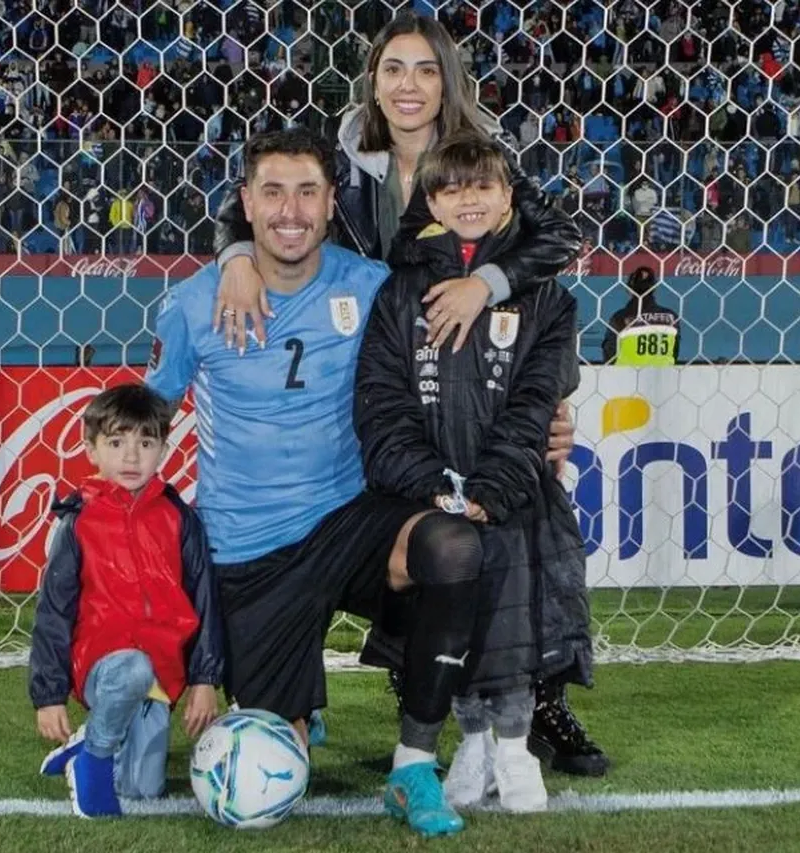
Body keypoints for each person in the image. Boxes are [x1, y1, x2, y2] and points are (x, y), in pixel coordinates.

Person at [210, 10, 603, 775]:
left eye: (426, 69)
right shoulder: (346, 158)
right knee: (407, 534)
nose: (410, 85)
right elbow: (256, 206)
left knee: (522, 526)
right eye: (394, 69)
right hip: (386, 372)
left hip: (481, 372)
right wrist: (232, 256)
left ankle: (541, 703)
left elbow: (553, 240)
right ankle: (412, 697)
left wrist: (484, 284)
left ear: (447, 80)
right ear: (374, 81)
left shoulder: (483, 157)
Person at [146, 127, 487, 837]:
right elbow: (149, 416)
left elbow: (459, 361)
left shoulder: (370, 289)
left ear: (333, 202)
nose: (290, 210)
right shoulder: (193, 302)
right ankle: (298, 702)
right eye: (272, 192)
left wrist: (547, 408)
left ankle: (413, 766)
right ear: (245, 201)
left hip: (352, 517)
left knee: (454, 548)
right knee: (282, 756)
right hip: (248, 551)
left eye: (308, 191)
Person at [354, 133, 592, 812]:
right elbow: (382, 402)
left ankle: (515, 753)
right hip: (432, 496)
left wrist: (492, 487)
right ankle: (470, 744)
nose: (468, 198)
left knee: (513, 624)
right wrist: (431, 483)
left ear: (508, 196)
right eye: (453, 188)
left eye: (483, 186)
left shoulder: (547, 296)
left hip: (512, 493)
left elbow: (534, 402)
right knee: (451, 621)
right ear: (430, 200)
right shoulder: (399, 290)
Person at [28, 384, 223, 818]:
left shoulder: (179, 519)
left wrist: (204, 678)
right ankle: (93, 761)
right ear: (91, 450)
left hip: (162, 672)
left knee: (142, 789)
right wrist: (49, 695)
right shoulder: (77, 522)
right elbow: (53, 615)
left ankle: (86, 743)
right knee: (131, 668)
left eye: (146, 443)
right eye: (116, 443)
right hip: (104, 664)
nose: (132, 457)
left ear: (163, 449)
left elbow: (204, 598)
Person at [602, 265, 681, 365]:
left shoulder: (619, 318)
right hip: (662, 377)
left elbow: (609, 354)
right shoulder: (672, 317)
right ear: (654, 288)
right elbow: (675, 353)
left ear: (629, 289)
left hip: (625, 377)